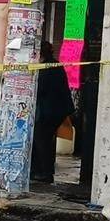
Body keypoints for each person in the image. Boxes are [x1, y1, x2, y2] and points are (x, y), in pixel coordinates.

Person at [31, 41, 75, 184]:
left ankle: (45, 173)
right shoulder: (54, 65)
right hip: (56, 109)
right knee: (44, 138)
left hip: (52, 110)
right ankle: (42, 170)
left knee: (41, 138)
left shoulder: (48, 67)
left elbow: (42, 88)